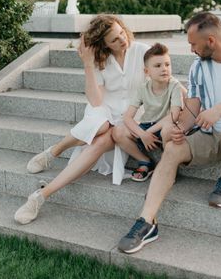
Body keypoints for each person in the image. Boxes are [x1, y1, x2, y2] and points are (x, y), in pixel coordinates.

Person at [117, 11, 221, 254]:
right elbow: (193, 107)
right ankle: (147, 222)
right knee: (172, 147)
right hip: (212, 135)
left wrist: (220, 109)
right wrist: (180, 128)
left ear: (210, 41)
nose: (191, 49)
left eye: (193, 43)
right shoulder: (198, 68)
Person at [14, 14, 149, 225]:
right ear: (103, 44)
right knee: (103, 126)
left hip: (130, 116)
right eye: (114, 39)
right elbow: (96, 101)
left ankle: (42, 192)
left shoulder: (142, 51)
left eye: (121, 33)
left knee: (103, 139)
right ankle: (49, 166)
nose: (122, 40)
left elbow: (163, 78)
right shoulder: (100, 61)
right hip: (103, 111)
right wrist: (87, 64)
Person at [114, 43, 184, 182]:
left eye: (167, 64)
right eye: (158, 66)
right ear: (147, 72)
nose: (164, 69)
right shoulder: (142, 88)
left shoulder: (174, 85)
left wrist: (148, 133)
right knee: (117, 132)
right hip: (147, 126)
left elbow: (174, 115)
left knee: (169, 129)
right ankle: (145, 161)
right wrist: (142, 134)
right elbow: (127, 117)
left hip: (165, 126)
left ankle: (168, 165)